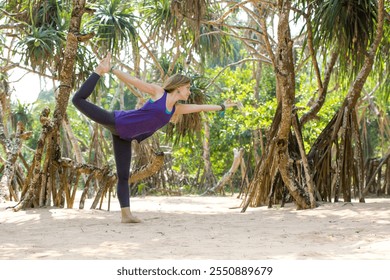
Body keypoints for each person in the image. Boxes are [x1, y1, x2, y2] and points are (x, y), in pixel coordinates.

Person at [72, 53, 237, 223]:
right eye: (188, 88)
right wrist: (111, 69)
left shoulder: (175, 109)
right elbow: (134, 81)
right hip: (117, 121)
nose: (189, 91)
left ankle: (126, 215)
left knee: (123, 176)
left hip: (124, 136)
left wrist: (222, 106)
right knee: (77, 100)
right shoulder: (159, 93)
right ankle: (98, 71)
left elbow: (200, 107)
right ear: (179, 87)